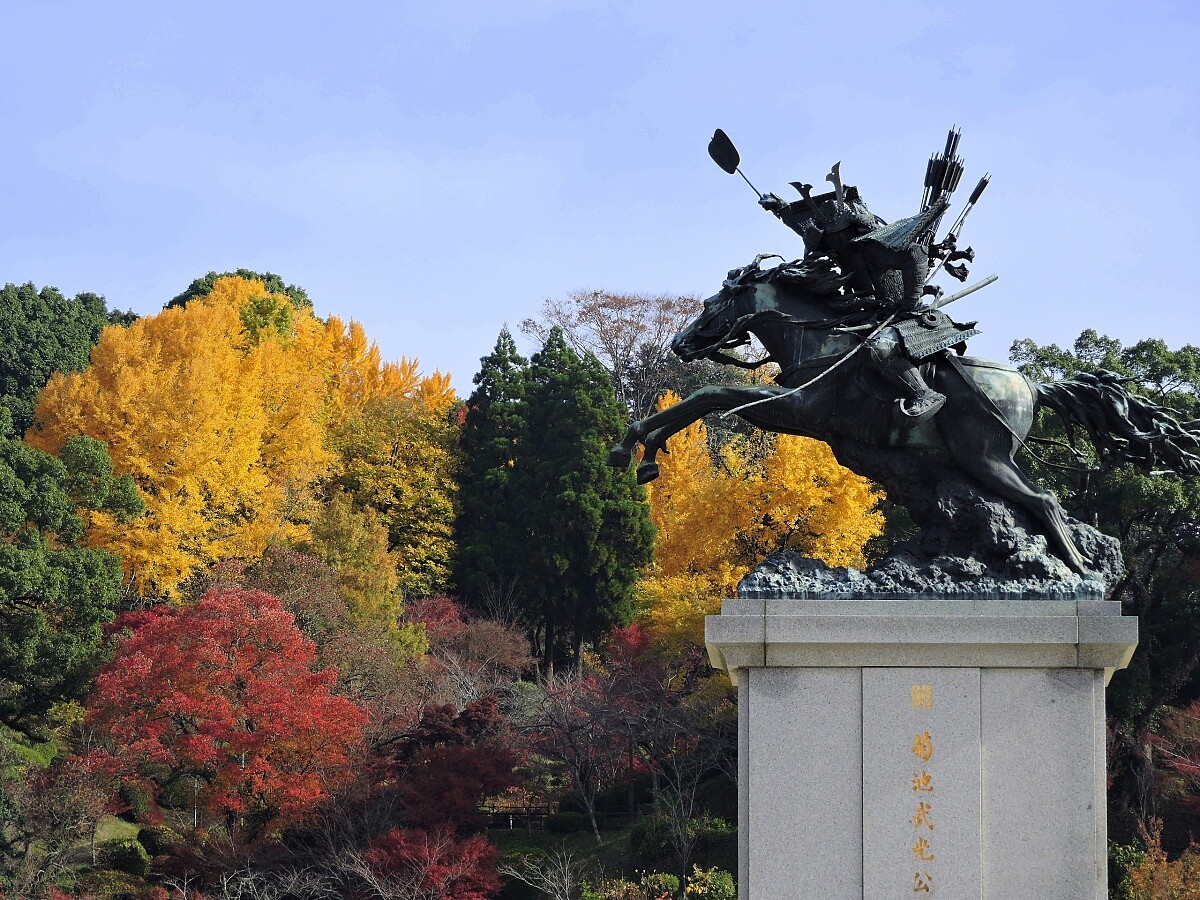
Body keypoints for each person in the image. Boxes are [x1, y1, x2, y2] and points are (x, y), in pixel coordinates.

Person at [758, 175, 978, 427]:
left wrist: (910, 300)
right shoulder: (834, 247)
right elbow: (801, 224)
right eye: (830, 238)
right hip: (870, 314)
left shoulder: (874, 247)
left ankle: (924, 393)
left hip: (907, 315)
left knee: (877, 349)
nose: (835, 242)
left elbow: (916, 254)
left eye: (839, 235)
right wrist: (779, 206)